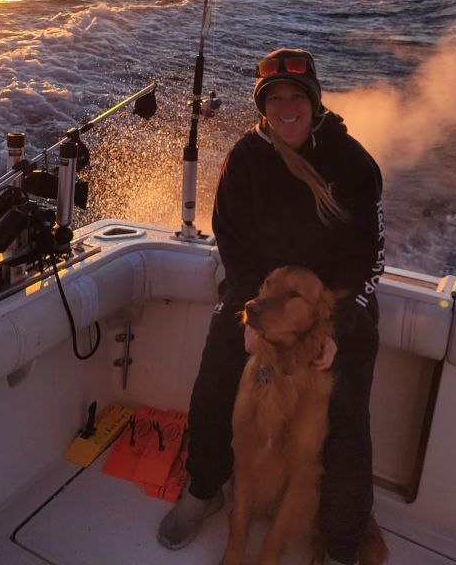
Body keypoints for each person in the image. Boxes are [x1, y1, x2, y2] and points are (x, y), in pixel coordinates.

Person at [158, 47, 385, 565]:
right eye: (274, 99)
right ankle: (205, 486)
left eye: (296, 98)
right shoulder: (246, 158)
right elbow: (231, 241)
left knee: (348, 418)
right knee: (215, 379)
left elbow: (369, 260)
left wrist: (338, 327)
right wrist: (245, 308)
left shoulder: (352, 164)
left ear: (314, 100)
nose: (287, 109)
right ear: (264, 106)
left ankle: (343, 540)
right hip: (258, 300)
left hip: (334, 310)